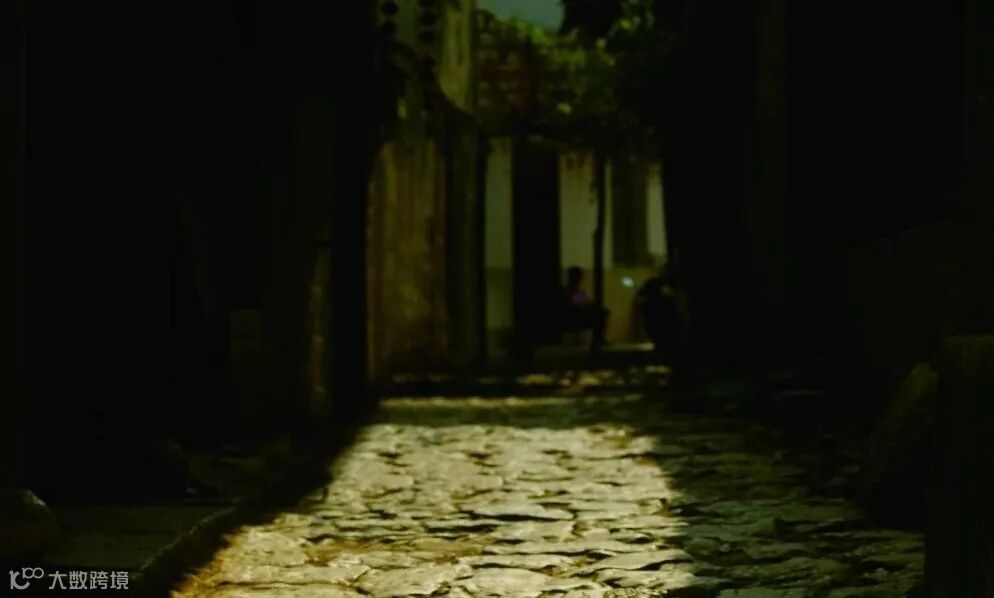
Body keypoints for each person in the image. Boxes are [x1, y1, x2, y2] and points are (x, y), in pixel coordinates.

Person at [636, 263, 685, 363]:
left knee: (664, 344)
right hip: (658, 318)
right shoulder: (655, 284)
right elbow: (641, 297)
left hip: (664, 319)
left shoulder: (666, 284)